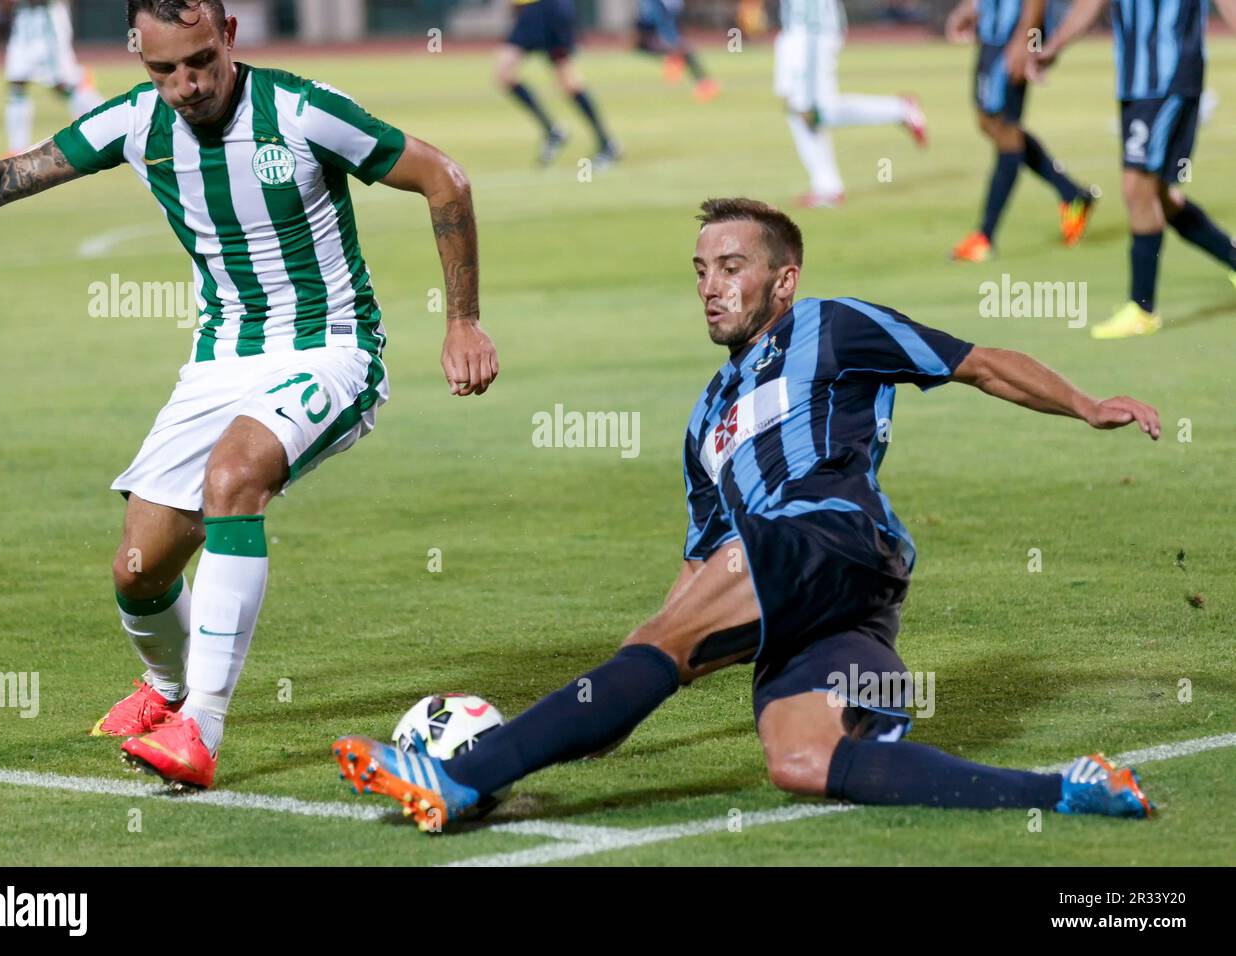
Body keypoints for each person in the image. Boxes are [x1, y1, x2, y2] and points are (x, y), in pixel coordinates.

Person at [331, 198, 1159, 832]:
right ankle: (1074, 790)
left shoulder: (831, 326)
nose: (710, 287)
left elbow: (980, 364)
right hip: (825, 595)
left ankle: (468, 772)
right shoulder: (703, 422)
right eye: (699, 270)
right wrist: (618, 688)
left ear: (782, 279)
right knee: (804, 759)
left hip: (829, 536)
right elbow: (698, 570)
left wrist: (1087, 405)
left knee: (666, 646)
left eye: (731, 267)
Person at [0, 0, 499, 790]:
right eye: (163, 69)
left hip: (330, 350)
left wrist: (463, 322)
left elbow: (444, 178)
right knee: (138, 569)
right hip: (217, 362)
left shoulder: (302, 111)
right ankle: (166, 691)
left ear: (229, 34)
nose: (187, 85)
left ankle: (200, 727)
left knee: (233, 480)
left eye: (200, 61)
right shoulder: (135, 122)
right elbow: (4, 177)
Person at [1034, 0, 1236, 338]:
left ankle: (1142, 309)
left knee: (1136, 186)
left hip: (1170, 77)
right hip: (1134, 83)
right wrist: (1054, 47)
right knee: (1157, 194)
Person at [944, 0, 1097, 262]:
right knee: (990, 122)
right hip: (994, 36)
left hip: (1011, 36)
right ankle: (1072, 194)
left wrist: (1024, 39)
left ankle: (985, 237)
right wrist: (971, 8)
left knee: (1004, 127)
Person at [775, 0, 927, 207]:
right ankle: (826, 186)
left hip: (811, 34)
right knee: (801, 110)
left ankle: (900, 109)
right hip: (797, 32)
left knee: (812, 111)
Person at [497, 0, 622, 167]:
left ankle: (606, 143)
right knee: (506, 74)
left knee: (569, 81)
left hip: (549, 9)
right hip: (533, 10)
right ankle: (555, 132)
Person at [1, 0, 103, 154]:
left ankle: (106, 117)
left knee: (61, 85)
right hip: (24, 19)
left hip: (47, 19)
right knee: (17, 83)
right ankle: (17, 149)